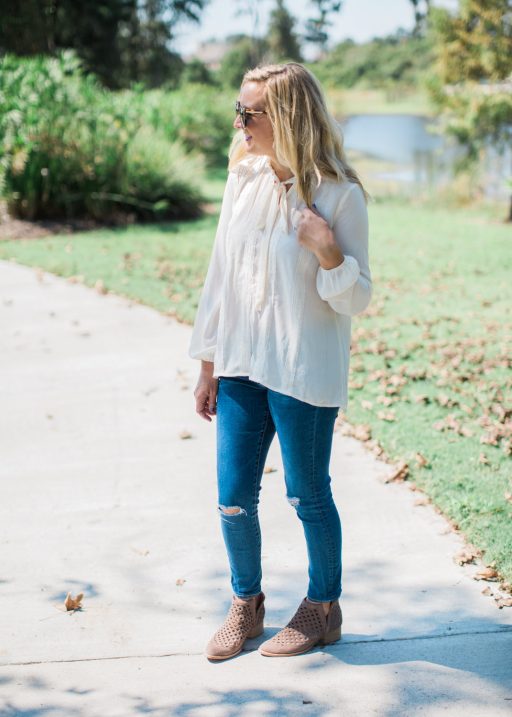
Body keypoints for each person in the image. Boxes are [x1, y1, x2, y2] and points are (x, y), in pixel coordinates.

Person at [188, 62, 372, 660]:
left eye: (251, 112)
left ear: (287, 116)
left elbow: (358, 298)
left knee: (306, 494)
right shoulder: (241, 181)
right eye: (238, 110)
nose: (239, 123)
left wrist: (326, 252)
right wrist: (208, 363)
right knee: (233, 496)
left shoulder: (340, 194)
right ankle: (247, 603)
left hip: (302, 370)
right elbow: (220, 278)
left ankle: (323, 608)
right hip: (241, 362)